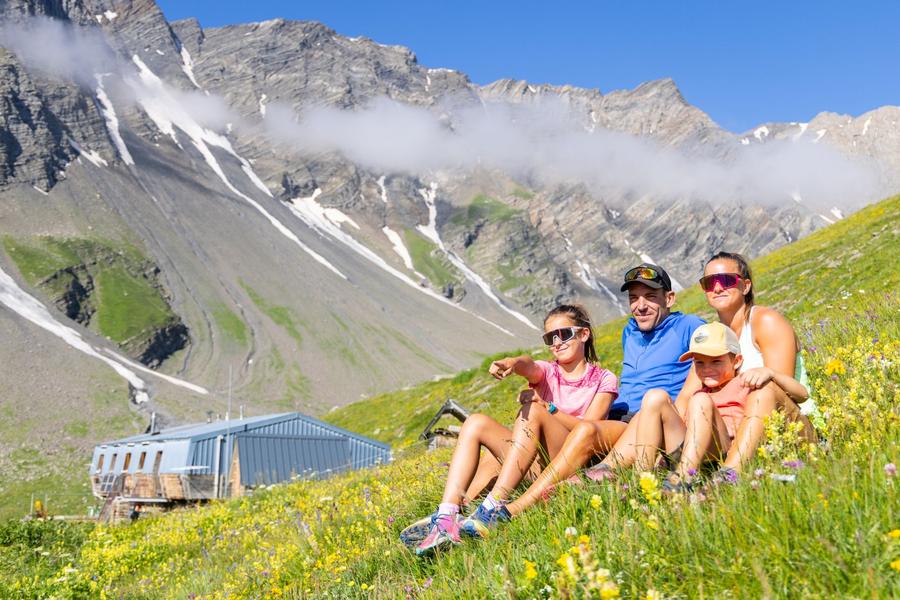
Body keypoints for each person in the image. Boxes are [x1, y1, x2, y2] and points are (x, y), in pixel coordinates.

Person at [406, 304, 618, 555]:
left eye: (564, 334)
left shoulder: (604, 379)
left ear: (584, 334)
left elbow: (588, 430)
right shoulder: (548, 371)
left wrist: (549, 408)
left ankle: (495, 504)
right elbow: (529, 365)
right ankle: (447, 515)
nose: (557, 343)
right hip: (532, 461)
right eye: (550, 338)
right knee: (475, 422)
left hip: (567, 459)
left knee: (534, 409)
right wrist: (512, 362)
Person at [498, 264, 705, 518]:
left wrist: (683, 402)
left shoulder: (689, 325)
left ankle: (521, 506)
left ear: (669, 298)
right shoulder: (630, 331)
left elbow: (708, 361)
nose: (640, 305)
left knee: (588, 429)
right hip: (618, 420)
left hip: (652, 416)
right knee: (580, 429)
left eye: (650, 297)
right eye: (633, 298)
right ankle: (469, 508)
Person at [623, 321, 808, 492]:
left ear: (737, 361)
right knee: (654, 396)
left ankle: (682, 480)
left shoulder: (745, 381)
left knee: (700, 401)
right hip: (693, 451)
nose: (707, 368)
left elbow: (802, 394)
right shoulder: (700, 392)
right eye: (699, 362)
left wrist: (771, 373)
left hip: (727, 450)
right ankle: (642, 478)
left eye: (716, 361)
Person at [701, 251, 815, 473]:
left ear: (745, 286)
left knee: (763, 389)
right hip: (741, 434)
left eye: (726, 280)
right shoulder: (715, 336)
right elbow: (688, 394)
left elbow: (781, 392)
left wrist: (766, 372)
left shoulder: (765, 321)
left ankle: (730, 476)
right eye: (708, 282)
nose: (716, 287)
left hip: (794, 430)